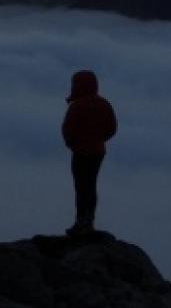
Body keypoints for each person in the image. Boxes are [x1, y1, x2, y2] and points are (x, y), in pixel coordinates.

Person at [61, 69, 117, 236]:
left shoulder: (77, 106)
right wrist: (100, 140)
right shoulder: (104, 104)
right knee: (90, 185)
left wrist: (72, 144)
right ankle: (88, 220)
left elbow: (68, 129)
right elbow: (112, 128)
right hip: (98, 152)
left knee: (81, 186)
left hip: (80, 153)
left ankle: (81, 222)